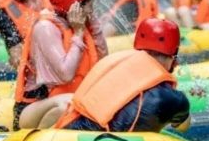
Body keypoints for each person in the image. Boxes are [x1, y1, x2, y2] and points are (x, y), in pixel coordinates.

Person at [55, 16, 191, 133]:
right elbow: (183, 127)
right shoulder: (173, 98)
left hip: (67, 128)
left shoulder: (113, 61)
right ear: (174, 58)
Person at [13, 0, 106, 129]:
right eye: (89, 4)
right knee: (68, 103)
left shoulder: (78, 22)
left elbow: (103, 60)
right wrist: (78, 34)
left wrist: (94, 25)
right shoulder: (45, 28)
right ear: (74, 7)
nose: (92, 9)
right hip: (34, 108)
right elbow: (66, 74)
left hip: (70, 101)